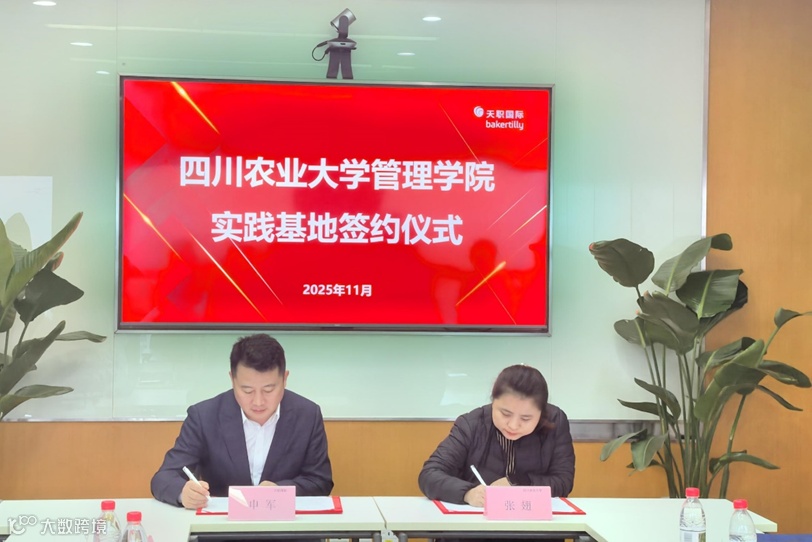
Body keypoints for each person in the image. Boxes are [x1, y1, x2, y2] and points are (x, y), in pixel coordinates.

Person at [151, 334, 333, 509]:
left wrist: (280, 491)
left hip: (286, 524)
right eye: (247, 390)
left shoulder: (307, 415)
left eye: (269, 390)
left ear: (285, 379)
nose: (258, 402)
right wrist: (183, 492)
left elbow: (320, 481)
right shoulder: (204, 416)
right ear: (232, 379)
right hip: (222, 525)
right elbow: (164, 477)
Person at [418, 364, 575, 507]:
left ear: (541, 413)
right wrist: (468, 493)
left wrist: (518, 481)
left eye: (526, 418)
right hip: (477, 523)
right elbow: (430, 474)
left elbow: (563, 481)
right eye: (505, 414)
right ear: (493, 402)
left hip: (534, 522)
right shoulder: (471, 424)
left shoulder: (556, 421)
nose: (513, 425)